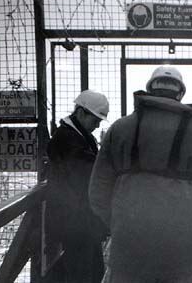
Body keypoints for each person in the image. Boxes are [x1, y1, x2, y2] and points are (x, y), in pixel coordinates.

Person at [89, 66, 192, 283]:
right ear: (180, 93)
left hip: (130, 240)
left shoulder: (120, 127)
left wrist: (118, 220)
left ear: (149, 90)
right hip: (183, 240)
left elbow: (98, 189)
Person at [46, 89, 110, 283]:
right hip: (76, 222)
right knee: (84, 273)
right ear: (81, 112)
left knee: (88, 271)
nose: (98, 124)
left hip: (78, 221)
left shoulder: (73, 136)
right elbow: (88, 173)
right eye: (96, 119)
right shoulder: (68, 139)